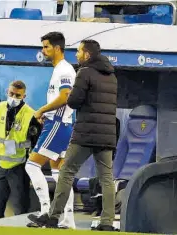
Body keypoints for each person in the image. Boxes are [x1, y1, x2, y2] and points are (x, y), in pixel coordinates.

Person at [28, 39, 118, 231]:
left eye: (78, 51)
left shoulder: (84, 72)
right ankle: (107, 222)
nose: (76, 55)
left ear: (87, 54)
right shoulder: (112, 76)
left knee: (66, 172)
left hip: (86, 133)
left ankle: (53, 217)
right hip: (107, 135)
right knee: (107, 179)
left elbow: (74, 101)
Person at [25, 32, 77, 229]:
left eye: (46, 47)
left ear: (57, 48)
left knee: (31, 165)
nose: (43, 51)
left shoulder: (64, 70)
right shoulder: (61, 69)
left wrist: (42, 110)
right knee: (60, 174)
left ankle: (46, 210)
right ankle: (68, 219)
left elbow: (65, 96)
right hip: (63, 124)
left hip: (56, 122)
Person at [0, 80, 41, 220]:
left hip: (19, 165)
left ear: (24, 96)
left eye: (18, 95)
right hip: (1, 164)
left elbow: (36, 141)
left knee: (20, 206)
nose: (14, 97)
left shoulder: (31, 114)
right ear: (7, 91)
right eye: (11, 94)